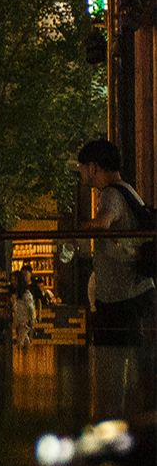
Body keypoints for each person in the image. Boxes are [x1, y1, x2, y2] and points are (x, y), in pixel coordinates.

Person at [78, 137, 155, 346]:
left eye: (82, 167)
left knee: (115, 360)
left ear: (93, 167)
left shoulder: (111, 193)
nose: (81, 172)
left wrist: (80, 228)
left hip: (122, 298)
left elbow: (102, 223)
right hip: (135, 292)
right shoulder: (127, 189)